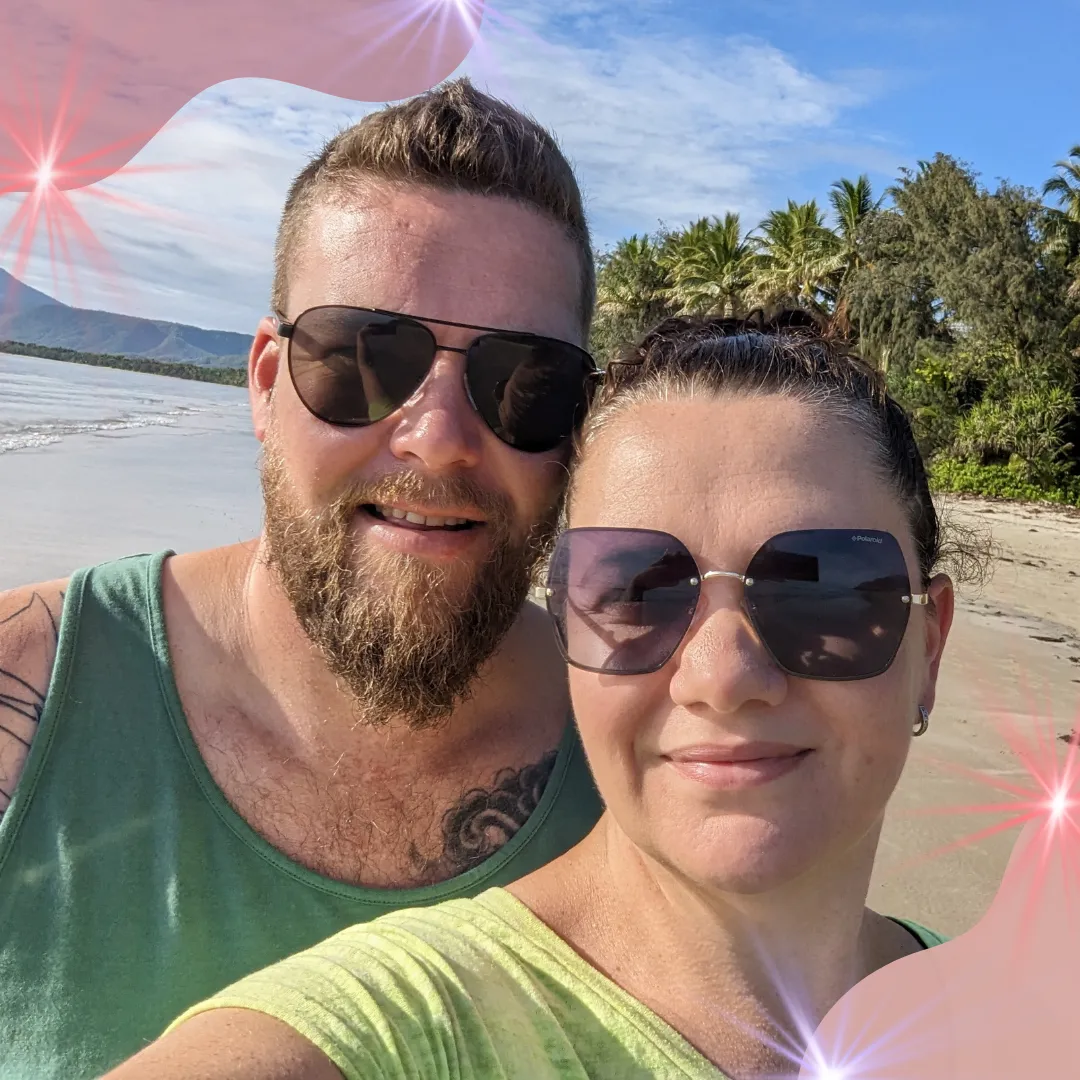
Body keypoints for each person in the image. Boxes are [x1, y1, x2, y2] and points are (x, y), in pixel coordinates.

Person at [105, 313, 968, 1080]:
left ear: (927, 646)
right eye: (634, 588)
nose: (724, 677)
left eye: (819, 588)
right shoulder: (403, 1027)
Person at [0, 78, 603, 1078]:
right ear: (269, 388)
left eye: (524, 385)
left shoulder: (664, 762)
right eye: (366, 358)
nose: (440, 440)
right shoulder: (27, 699)